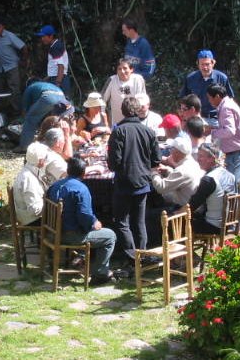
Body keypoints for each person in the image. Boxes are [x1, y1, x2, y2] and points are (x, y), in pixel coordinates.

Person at [108, 97, 161, 268]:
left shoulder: (118, 131)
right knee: (139, 222)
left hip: (124, 183)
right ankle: (142, 254)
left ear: (123, 111)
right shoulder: (148, 132)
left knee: (122, 221)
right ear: (138, 110)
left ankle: (132, 256)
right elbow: (156, 159)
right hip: (143, 183)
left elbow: (114, 162)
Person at [47, 157, 117, 285]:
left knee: (89, 230)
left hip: (52, 231)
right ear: (84, 173)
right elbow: (84, 215)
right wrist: (94, 222)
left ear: (68, 171)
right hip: (71, 235)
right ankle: (100, 273)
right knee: (110, 236)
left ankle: (81, 259)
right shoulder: (81, 189)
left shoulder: (55, 186)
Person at [207, 83, 240, 189]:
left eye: (210, 98)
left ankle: (235, 206)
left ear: (217, 96)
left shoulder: (226, 107)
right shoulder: (228, 104)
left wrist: (212, 133)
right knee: (232, 187)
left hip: (237, 154)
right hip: (235, 153)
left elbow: (229, 131)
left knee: (233, 188)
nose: (209, 101)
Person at [179, 49, 235, 127]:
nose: (205, 67)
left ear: (213, 63)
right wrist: (184, 117)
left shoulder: (222, 78)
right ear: (197, 64)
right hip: (195, 119)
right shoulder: (190, 78)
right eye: (202, 64)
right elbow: (183, 99)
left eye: (207, 64)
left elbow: (230, 100)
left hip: (216, 119)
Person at [189, 143, 236, 234]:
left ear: (211, 158)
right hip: (227, 223)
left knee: (174, 221)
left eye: (201, 156)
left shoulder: (209, 180)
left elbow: (192, 206)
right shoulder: (229, 175)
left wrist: (176, 212)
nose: (198, 159)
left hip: (212, 226)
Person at [0, 18, 27, 113]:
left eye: (0, 27)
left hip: (12, 66)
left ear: (3, 27)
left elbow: (24, 47)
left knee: (15, 89)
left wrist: (23, 60)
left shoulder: (9, 36)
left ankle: (17, 110)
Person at [15, 79, 67, 152]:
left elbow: (25, 108)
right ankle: (59, 147)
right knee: (56, 123)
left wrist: (23, 120)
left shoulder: (30, 87)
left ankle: (24, 147)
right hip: (62, 99)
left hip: (48, 98)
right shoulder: (46, 85)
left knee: (30, 120)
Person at [151, 137, 203, 209]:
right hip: (190, 205)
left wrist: (154, 172)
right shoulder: (193, 164)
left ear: (177, 152)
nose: (170, 152)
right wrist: (168, 170)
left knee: (148, 215)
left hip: (182, 210)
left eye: (171, 149)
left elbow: (161, 188)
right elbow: (182, 178)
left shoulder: (182, 170)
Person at [13, 142, 49, 226]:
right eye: (46, 157)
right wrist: (51, 205)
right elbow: (34, 210)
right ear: (40, 161)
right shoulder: (29, 179)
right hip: (32, 220)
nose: (47, 160)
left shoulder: (29, 170)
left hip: (29, 216)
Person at [101, 58, 146, 124]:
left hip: (135, 121)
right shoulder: (112, 80)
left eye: (125, 68)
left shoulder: (138, 79)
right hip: (116, 122)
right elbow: (102, 100)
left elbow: (142, 100)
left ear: (131, 69)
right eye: (119, 69)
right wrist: (102, 118)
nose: (122, 71)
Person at [35, 25, 70, 95]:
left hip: (59, 80)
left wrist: (57, 84)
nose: (42, 39)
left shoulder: (55, 47)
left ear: (50, 36)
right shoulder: (56, 45)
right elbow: (54, 67)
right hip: (57, 78)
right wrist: (45, 79)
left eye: (44, 36)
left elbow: (61, 66)